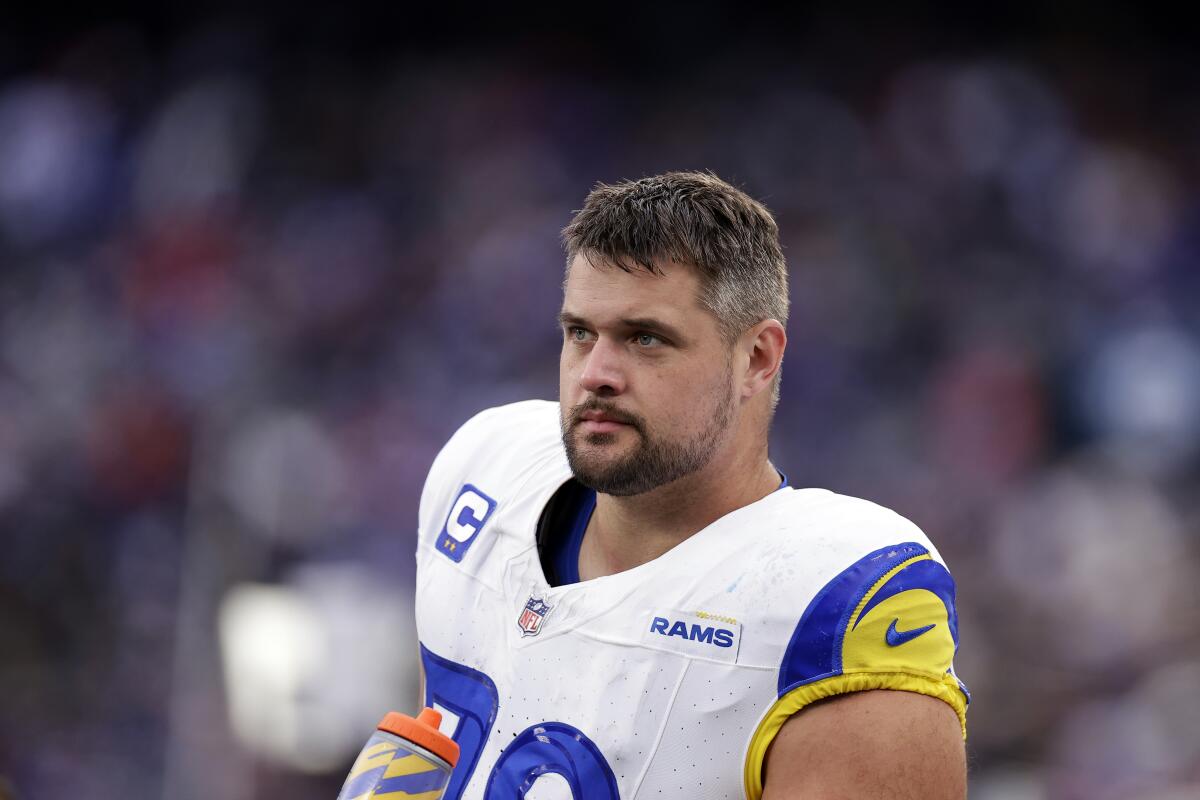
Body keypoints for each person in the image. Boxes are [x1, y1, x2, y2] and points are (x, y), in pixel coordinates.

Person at [414, 171, 968, 799]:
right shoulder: (487, 472)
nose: (595, 374)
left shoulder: (827, 596)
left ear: (756, 358)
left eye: (644, 338)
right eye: (580, 334)